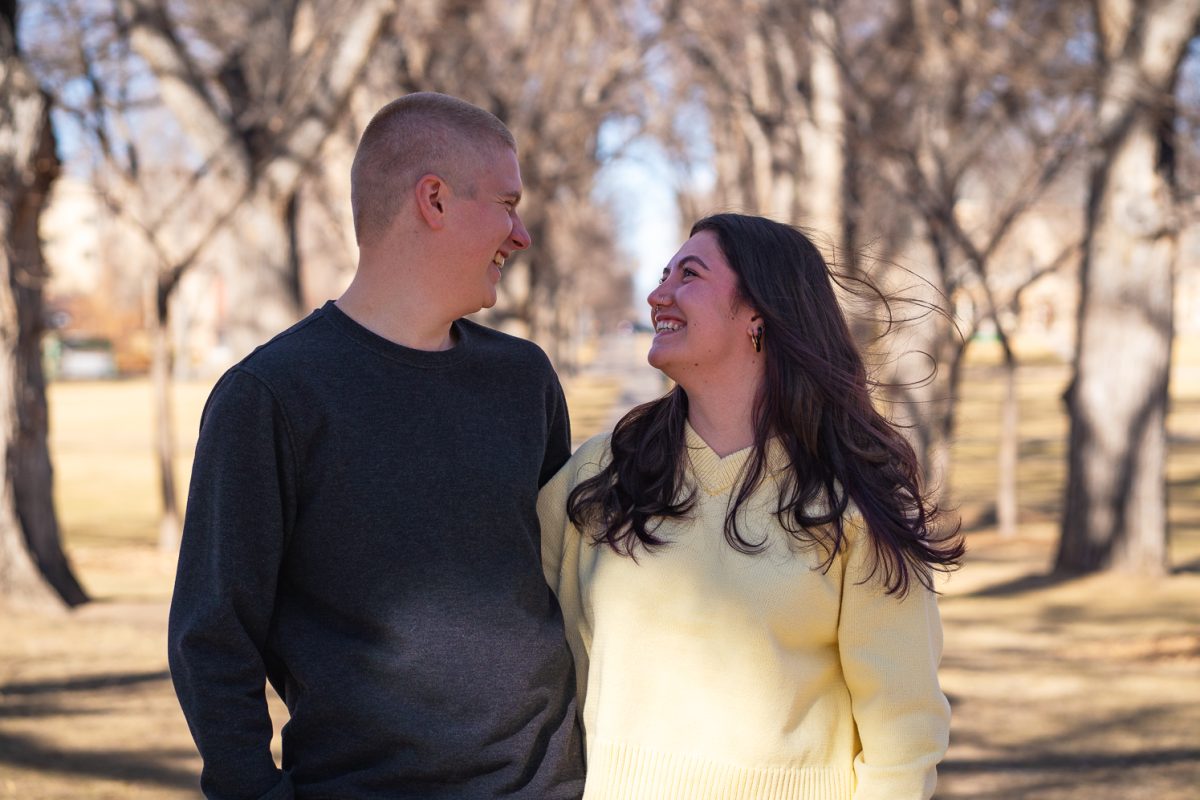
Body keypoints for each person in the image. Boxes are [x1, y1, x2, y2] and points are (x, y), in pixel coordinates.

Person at [169, 93, 585, 800]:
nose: (521, 235)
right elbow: (214, 637)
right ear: (435, 200)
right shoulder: (269, 396)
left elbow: (562, 580)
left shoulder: (525, 380)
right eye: (508, 204)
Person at [537, 213, 964, 800]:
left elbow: (903, 734)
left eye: (689, 275)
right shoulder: (598, 474)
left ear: (759, 314)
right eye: (663, 274)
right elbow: (524, 654)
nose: (658, 294)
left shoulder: (852, 502)